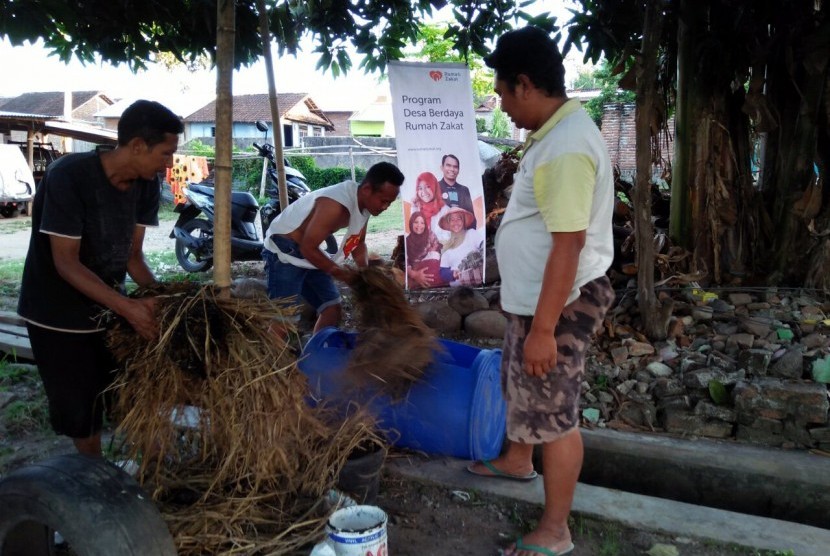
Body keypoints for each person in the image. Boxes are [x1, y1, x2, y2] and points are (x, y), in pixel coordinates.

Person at [466, 26, 615, 556]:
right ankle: (516, 461)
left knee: (554, 416)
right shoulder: (555, 133)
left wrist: (546, 329)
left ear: (525, 84)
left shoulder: (566, 148)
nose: (502, 104)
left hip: (559, 304)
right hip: (536, 301)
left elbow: (569, 245)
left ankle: (555, 531)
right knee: (522, 385)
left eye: (503, 92)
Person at [17, 100, 183, 457]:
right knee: (81, 411)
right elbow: (66, 263)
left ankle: (156, 474)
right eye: (166, 153)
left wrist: (166, 302)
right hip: (56, 313)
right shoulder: (69, 176)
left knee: (131, 393)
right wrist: (129, 308)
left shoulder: (146, 184)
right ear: (138, 146)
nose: (169, 163)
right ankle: (94, 482)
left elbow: (132, 256)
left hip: (108, 306)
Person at [262, 161, 404, 332]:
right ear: (367, 190)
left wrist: (366, 274)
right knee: (285, 320)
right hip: (284, 251)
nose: (385, 207)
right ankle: (276, 358)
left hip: (308, 252)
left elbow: (358, 243)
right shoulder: (335, 206)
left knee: (332, 309)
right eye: (383, 201)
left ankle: (316, 352)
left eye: (389, 203)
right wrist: (343, 275)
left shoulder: (364, 205)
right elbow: (308, 248)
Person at [437, 206, 483, 286]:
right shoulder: (446, 247)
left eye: (459, 219)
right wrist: (452, 274)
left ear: (463, 221)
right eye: (452, 220)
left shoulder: (472, 234)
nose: (456, 222)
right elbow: (443, 272)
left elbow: (483, 247)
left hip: (477, 286)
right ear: (448, 223)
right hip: (457, 291)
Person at [438, 154, 477, 229]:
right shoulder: (434, 187)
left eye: (455, 167)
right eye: (448, 165)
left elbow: (472, 218)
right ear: (442, 167)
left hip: (462, 235)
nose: (452, 169)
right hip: (441, 236)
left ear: (459, 170)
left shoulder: (464, 190)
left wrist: (470, 237)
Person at [405, 211, 442, 288]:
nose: (419, 225)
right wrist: (414, 274)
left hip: (431, 270)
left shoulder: (430, 235)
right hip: (414, 272)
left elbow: (436, 251)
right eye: (416, 222)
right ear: (411, 223)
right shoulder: (407, 241)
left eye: (422, 223)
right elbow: (405, 262)